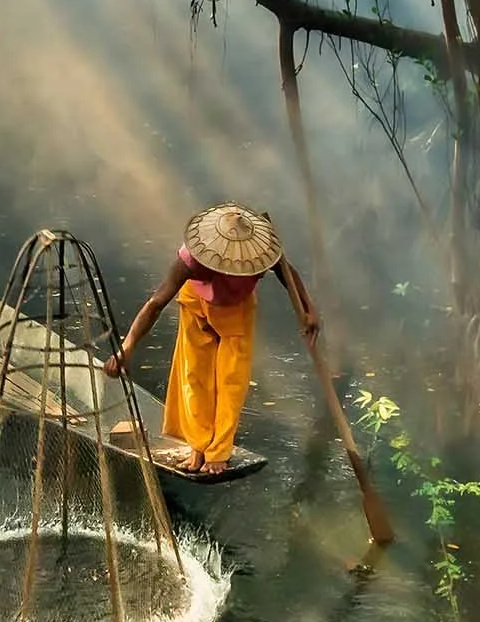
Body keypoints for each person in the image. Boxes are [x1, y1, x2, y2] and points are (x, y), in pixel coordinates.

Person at [103, 201, 319, 474]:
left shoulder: (259, 254)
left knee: (232, 379)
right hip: (198, 303)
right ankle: (198, 445)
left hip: (237, 308)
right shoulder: (193, 259)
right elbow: (156, 303)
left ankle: (218, 451)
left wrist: (309, 309)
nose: (233, 267)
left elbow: (289, 274)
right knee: (194, 375)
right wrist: (127, 347)